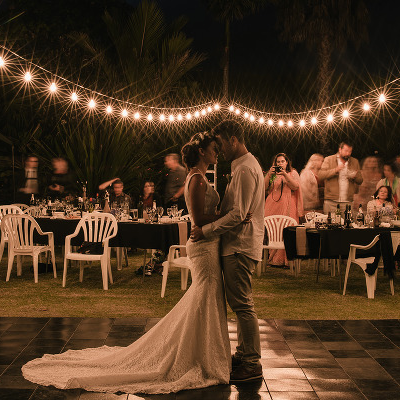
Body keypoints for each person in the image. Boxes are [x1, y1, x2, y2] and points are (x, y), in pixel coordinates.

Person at [21, 132, 233, 393]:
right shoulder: (197, 180)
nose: (216, 153)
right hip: (203, 246)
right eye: (213, 149)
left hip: (207, 246)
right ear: (201, 152)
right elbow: (199, 219)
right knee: (204, 297)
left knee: (205, 298)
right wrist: (232, 214)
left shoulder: (195, 178)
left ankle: (204, 353)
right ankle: (197, 356)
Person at [192, 119, 265, 382]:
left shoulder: (245, 169)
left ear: (233, 139)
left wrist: (206, 230)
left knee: (243, 305)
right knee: (240, 303)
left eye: (221, 143)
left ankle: (252, 363)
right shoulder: (243, 166)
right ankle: (244, 353)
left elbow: (238, 214)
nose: (220, 149)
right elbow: (236, 211)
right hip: (237, 244)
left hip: (239, 246)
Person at [264, 153, 303, 266]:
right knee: (273, 232)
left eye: (282, 161)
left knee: (287, 231)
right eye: (278, 162)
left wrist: (285, 175)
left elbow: (295, 186)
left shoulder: (292, 173)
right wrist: (268, 175)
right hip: (273, 207)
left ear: (287, 162)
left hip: (288, 207)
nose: (280, 164)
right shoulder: (272, 174)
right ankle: (273, 259)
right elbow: (263, 188)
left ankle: (287, 261)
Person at [317, 142, 363, 215]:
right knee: (331, 224)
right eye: (346, 151)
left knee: (348, 224)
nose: (348, 153)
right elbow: (321, 175)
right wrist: (336, 170)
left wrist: (355, 177)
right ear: (340, 149)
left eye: (350, 151)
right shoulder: (329, 159)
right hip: (331, 201)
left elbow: (360, 181)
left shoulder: (355, 162)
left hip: (348, 202)